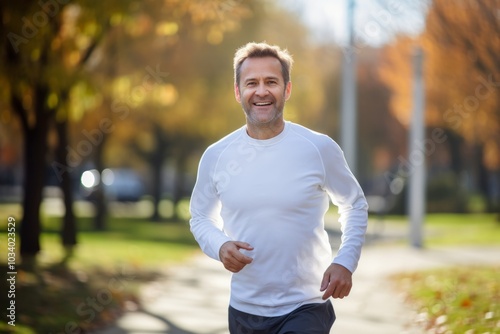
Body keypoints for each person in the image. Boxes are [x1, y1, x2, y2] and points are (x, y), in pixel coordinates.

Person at [189, 42, 368, 334]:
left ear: (286, 89)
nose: (261, 91)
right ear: (238, 92)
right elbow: (200, 216)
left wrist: (345, 261)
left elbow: (354, 204)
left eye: (271, 82)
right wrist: (219, 246)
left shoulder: (318, 148)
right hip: (245, 309)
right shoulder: (217, 155)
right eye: (251, 83)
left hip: (306, 306)